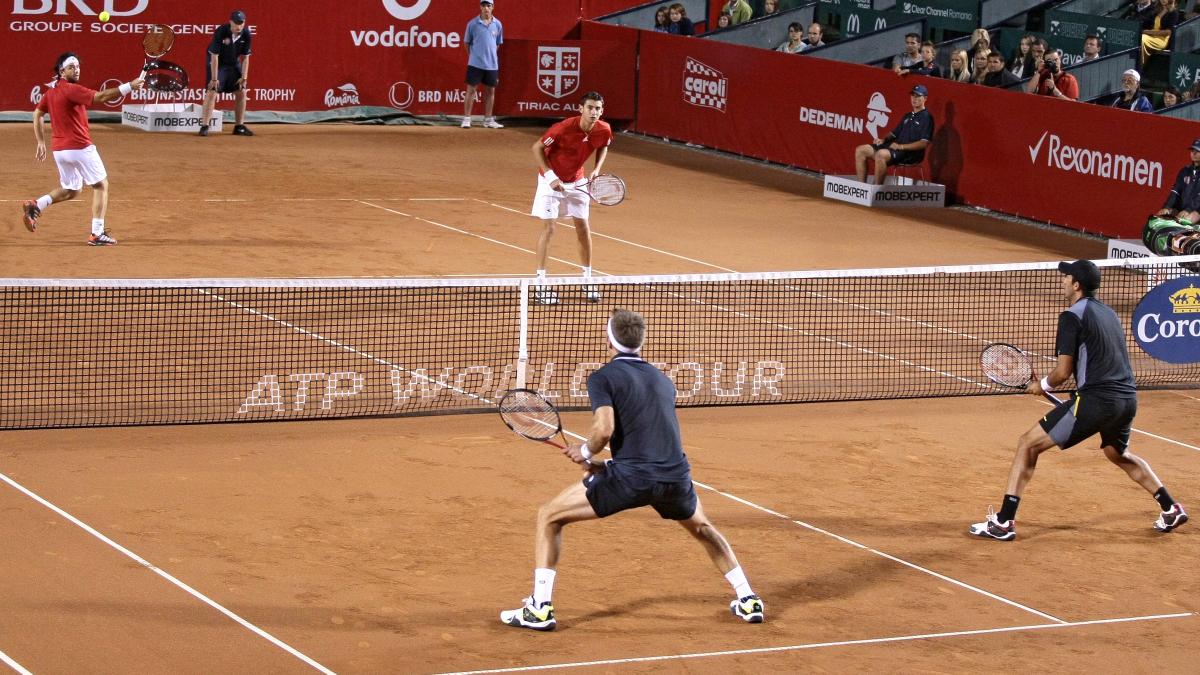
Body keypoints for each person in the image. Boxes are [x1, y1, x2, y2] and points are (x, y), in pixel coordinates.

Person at [499, 309, 765, 630]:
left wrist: (584, 451)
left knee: (549, 516)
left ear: (609, 339)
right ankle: (748, 598)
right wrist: (605, 465)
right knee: (704, 529)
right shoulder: (662, 381)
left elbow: (605, 429)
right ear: (641, 341)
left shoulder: (603, 378)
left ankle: (540, 608)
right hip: (674, 477)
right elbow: (651, 438)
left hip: (633, 478)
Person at [970, 260, 1189, 541]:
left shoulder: (1071, 317)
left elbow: (1062, 373)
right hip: (1126, 399)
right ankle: (1170, 507)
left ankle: (1003, 523)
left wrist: (1042, 385)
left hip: (1097, 400)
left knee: (1027, 444)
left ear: (1077, 285)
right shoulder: (1109, 314)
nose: (1062, 281)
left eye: (1066, 277)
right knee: (1117, 453)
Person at [22, 52, 144, 245]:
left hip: (60, 151)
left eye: (78, 66)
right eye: (72, 67)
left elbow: (37, 113)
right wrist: (130, 86)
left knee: (72, 189)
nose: (76, 69)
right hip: (79, 147)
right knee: (101, 185)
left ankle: (36, 204)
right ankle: (97, 234)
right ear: (62, 71)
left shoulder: (51, 92)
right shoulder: (71, 89)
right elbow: (101, 96)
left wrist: (40, 141)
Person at [530, 91, 612, 305]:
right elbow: (537, 147)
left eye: (598, 109)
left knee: (583, 228)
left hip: (577, 181)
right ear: (581, 109)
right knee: (549, 229)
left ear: (602, 111)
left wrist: (596, 169)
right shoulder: (563, 128)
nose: (594, 112)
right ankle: (540, 285)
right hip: (550, 180)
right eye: (590, 108)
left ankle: (587, 279)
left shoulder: (604, 129)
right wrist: (551, 177)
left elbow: (603, 145)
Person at [854, 84, 934, 185]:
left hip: (910, 154)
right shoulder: (907, 116)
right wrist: (883, 140)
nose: (914, 98)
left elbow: (924, 143)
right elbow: (894, 133)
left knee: (881, 155)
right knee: (860, 150)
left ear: (925, 98)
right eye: (913, 95)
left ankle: (876, 191)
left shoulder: (927, 118)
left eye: (918, 96)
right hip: (896, 148)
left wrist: (901, 146)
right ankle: (863, 188)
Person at [198, 10, 252, 137]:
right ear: (230, 22)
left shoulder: (246, 34)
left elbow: (245, 58)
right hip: (218, 63)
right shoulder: (221, 31)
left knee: (242, 91)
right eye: (236, 23)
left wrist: (244, 77)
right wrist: (215, 79)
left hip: (233, 63)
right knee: (212, 91)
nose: (239, 26)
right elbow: (214, 56)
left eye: (241, 23)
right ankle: (205, 126)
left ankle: (239, 126)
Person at [461, 0, 504, 129]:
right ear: (480, 7)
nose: (486, 8)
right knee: (471, 90)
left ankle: (488, 120)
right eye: (484, 5)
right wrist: (475, 56)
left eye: (488, 5)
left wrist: (489, 57)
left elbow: (497, 44)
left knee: (490, 91)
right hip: (475, 64)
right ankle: (467, 119)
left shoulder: (498, 24)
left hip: (492, 65)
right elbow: (466, 43)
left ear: (493, 7)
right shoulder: (472, 24)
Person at [1156, 138, 1200, 224]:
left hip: (1197, 211)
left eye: (1197, 151)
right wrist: (1167, 207)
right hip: (1182, 210)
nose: (1193, 153)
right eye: (1192, 150)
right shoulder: (1184, 171)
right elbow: (1175, 191)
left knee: (1186, 220)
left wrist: (1189, 210)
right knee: (1159, 218)